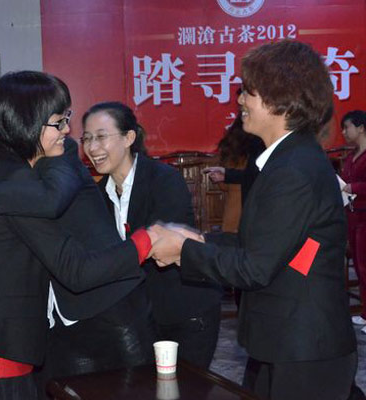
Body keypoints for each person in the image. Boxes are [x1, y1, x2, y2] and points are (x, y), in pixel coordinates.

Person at [150, 40, 357, 400]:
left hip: (304, 351)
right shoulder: (286, 160)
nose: (240, 100)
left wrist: (183, 250)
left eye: (248, 91)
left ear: (281, 101)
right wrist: (195, 239)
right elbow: (260, 244)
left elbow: (255, 267)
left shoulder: (293, 170)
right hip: (285, 342)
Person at [0, 71, 155, 400]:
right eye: (59, 121)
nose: (68, 130)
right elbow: (74, 268)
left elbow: (50, 200)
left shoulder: (0, 169)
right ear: (27, 122)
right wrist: (150, 240)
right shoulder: (11, 175)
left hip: (100, 306)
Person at [82, 101, 222, 369]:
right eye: (87, 139)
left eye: (101, 137)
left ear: (129, 138)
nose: (92, 147)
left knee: (186, 386)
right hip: (142, 315)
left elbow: (160, 245)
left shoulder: (163, 179)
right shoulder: (98, 195)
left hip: (186, 309)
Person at [203, 114, 265, 232]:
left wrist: (227, 176)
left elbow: (223, 186)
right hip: (257, 211)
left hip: (234, 211)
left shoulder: (232, 150)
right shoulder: (262, 145)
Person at [340, 110, 366, 333]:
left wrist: (353, 187)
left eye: (347, 127)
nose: (343, 132)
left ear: (361, 128)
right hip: (352, 215)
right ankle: (365, 313)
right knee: (359, 266)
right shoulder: (351, 156)